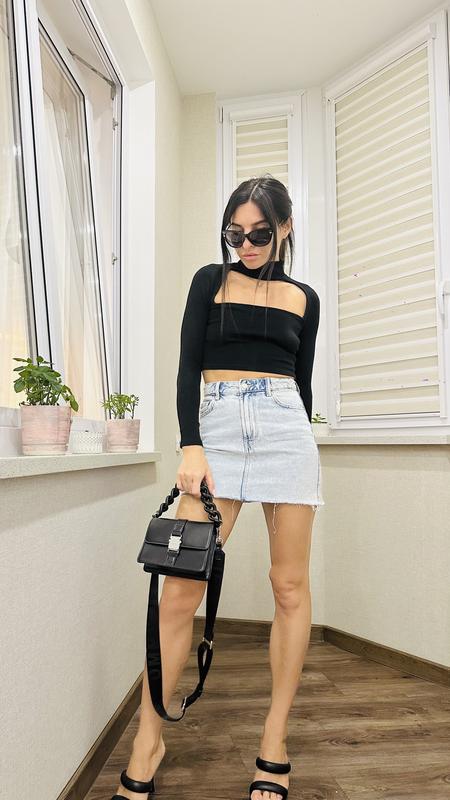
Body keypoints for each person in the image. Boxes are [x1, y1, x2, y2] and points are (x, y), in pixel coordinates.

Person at [112, 175, 324, 800]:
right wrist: (191, 445)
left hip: (285, 429)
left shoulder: (305, 298)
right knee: (179, 591)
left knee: (289, 586)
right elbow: (187, 366)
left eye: (260, 234)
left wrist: (301, 444)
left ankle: (274, 742)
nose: (247, 246)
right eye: (236, 234)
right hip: (218, 430)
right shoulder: (210, 280)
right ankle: (149, 739)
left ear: (285, 228)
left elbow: (302, 383)